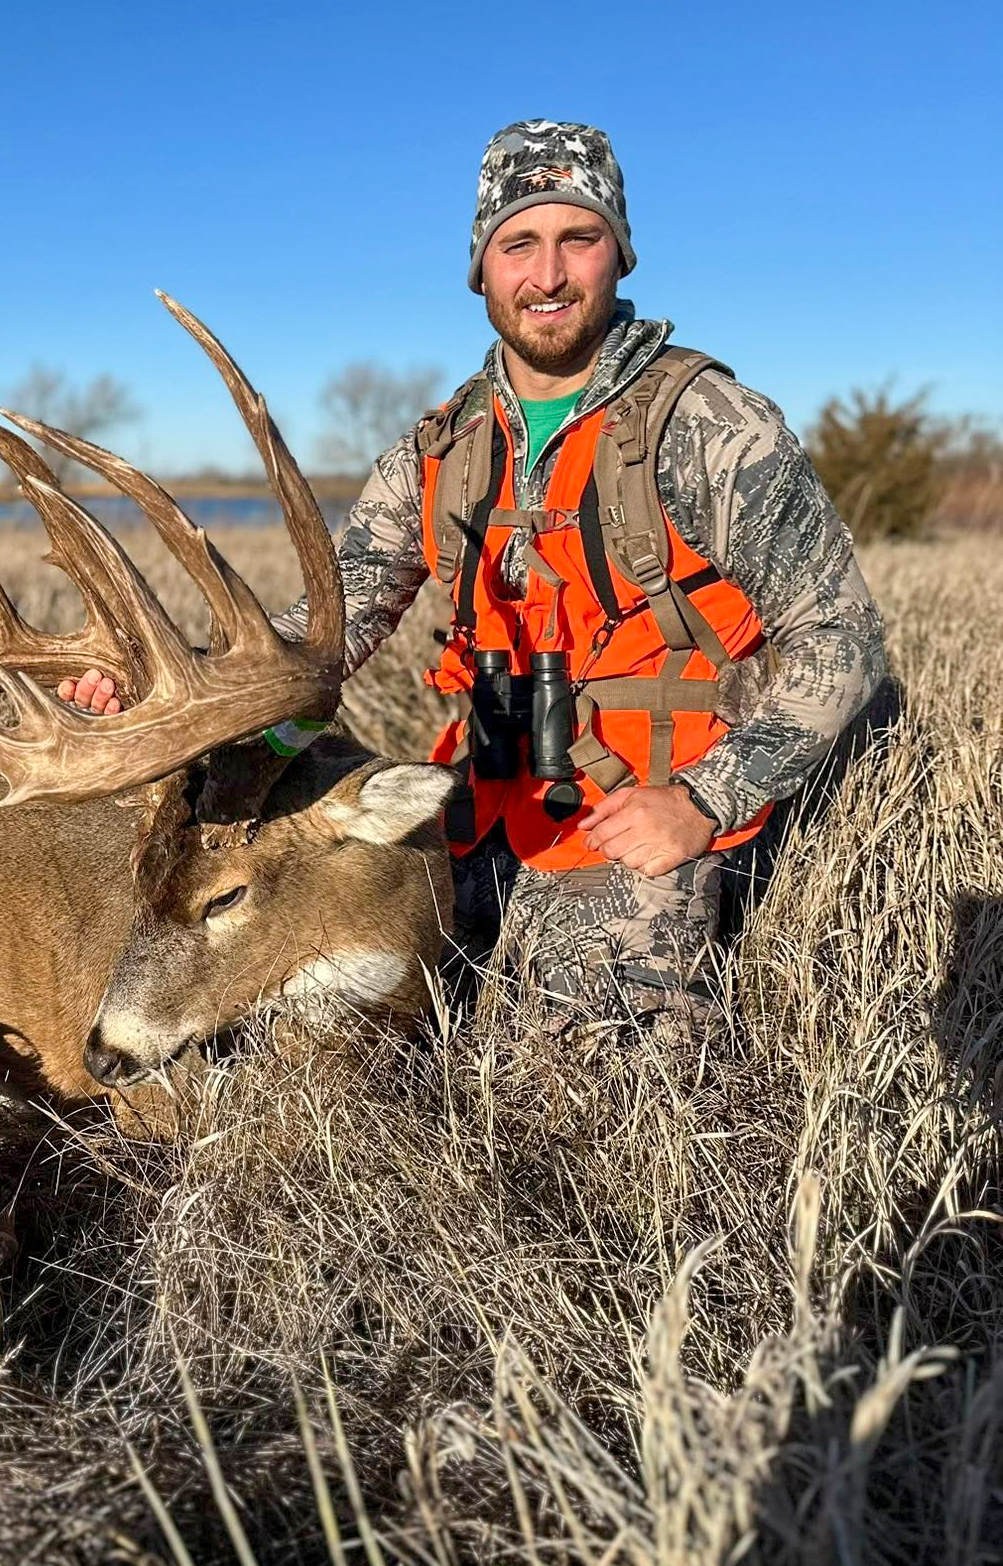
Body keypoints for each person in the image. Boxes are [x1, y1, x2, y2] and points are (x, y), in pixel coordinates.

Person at [61, 120, 886, 1036]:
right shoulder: (440, 447)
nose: (547, 275)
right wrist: (166, 702)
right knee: (298, 1021)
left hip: (642, 819)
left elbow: (842, 641)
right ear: (481, 269)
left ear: (620, 255)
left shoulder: (709, 424)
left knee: (586, 1079)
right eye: (517, 244)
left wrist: (702, 801)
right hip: (478, 808)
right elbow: (326, 630)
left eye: (579, 238)